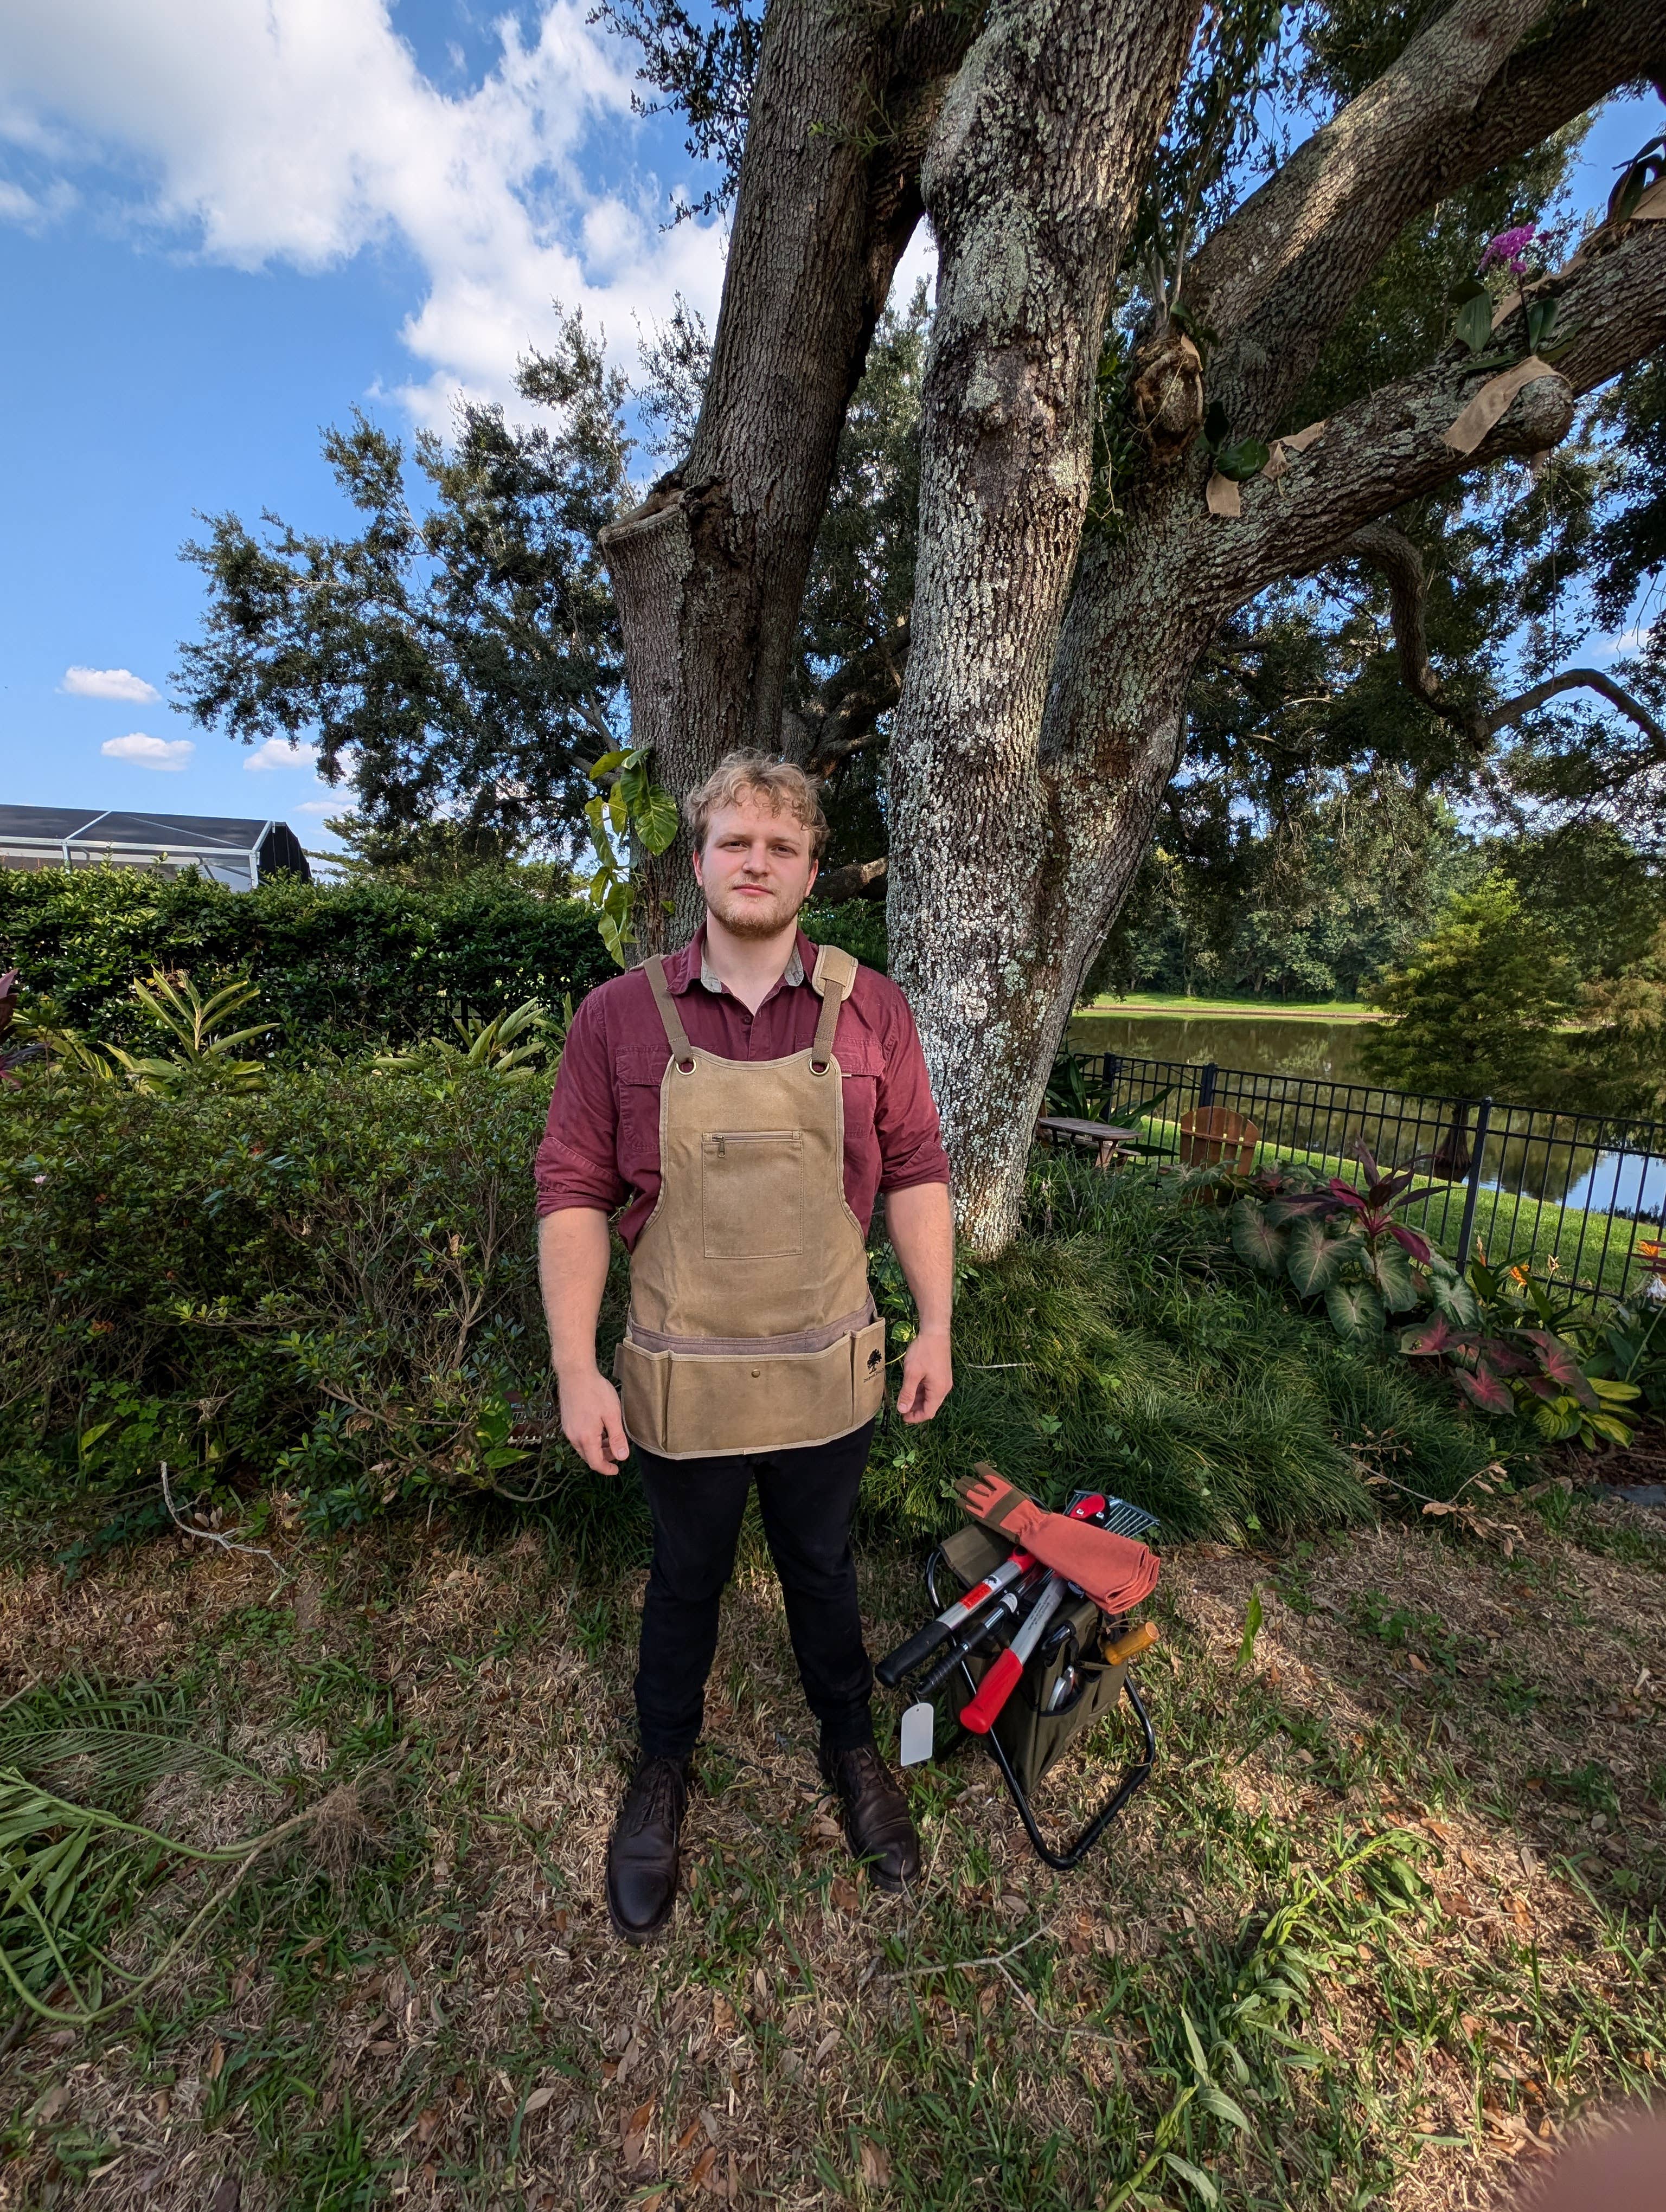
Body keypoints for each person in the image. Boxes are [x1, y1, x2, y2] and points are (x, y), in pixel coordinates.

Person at [535, 751, 954, 1941]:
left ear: (812, 870)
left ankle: (851, 1746)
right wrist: (577, 1367)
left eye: (781, 845)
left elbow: (919, 1169)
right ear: (702, 860)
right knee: (687, 1580)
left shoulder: (873, 1009)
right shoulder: (618, 1017)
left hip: (831, 1373)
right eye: (736, 842)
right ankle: (662, 1770)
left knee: (823, 1572)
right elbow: (569, 1188)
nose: (756, 863)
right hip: (680, 1380)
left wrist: (937, 1324)